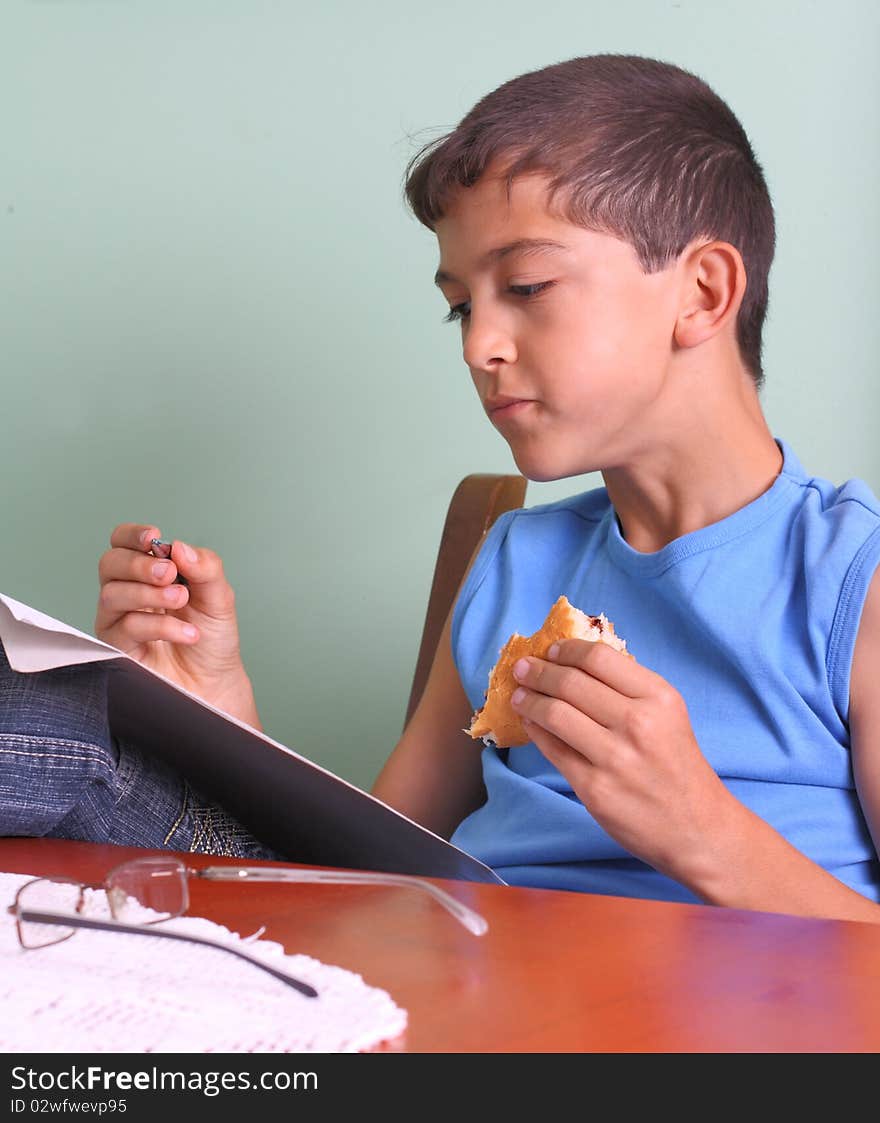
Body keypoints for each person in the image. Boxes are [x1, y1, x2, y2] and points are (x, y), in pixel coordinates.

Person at [40, 54, 880, 919]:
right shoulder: (518, 561)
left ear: (702, 292)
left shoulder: (853, 577)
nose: (480, 345)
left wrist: (699, 824)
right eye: (460, 305)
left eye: (526, 287)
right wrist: (217, 722)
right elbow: (359, 888)